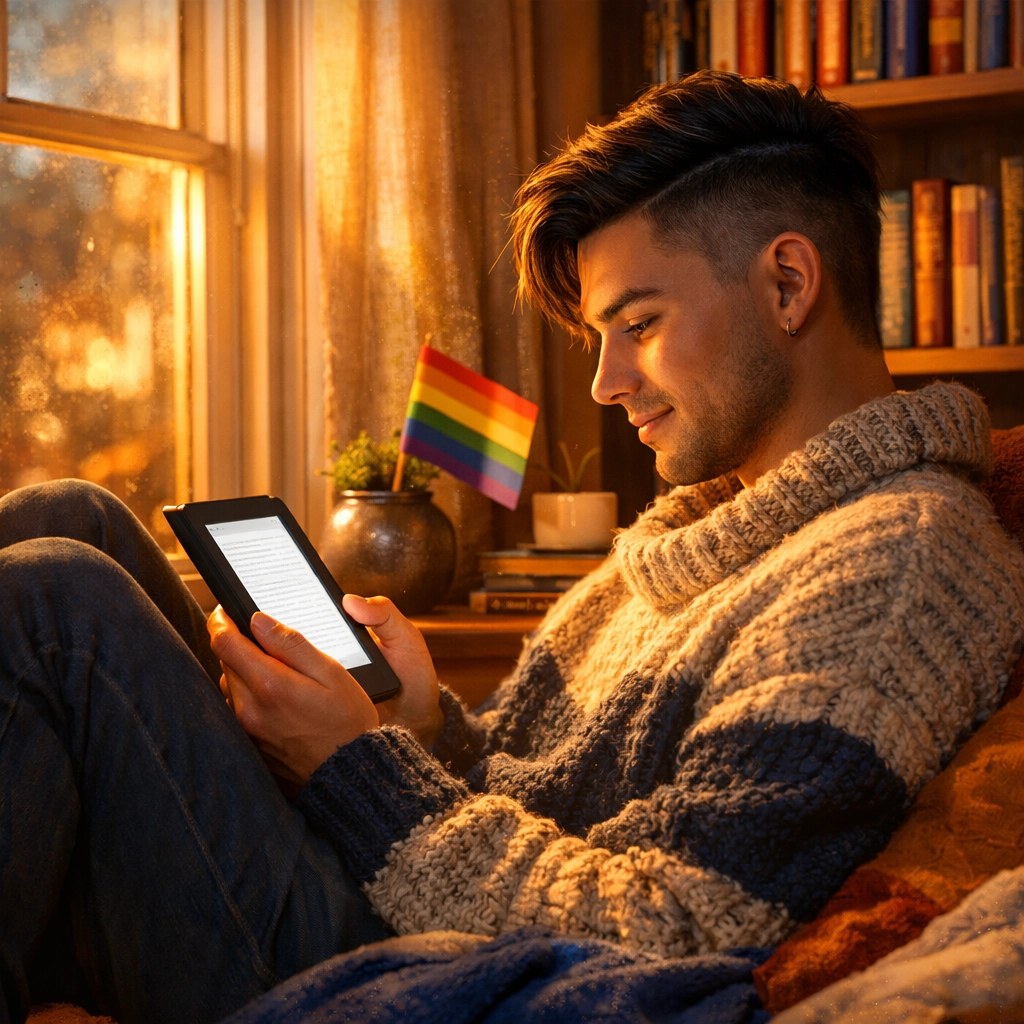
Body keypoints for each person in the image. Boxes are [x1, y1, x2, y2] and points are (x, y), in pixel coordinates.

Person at [3, 71, 1023, 1024]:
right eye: (600, 338)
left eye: (640, 323)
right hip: (412, 895)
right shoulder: (698, 535)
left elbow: (682, 924)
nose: (605, 382)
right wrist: (422, 730)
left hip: (426, 959)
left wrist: (357, 770)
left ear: (789, 283)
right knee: (73, 511)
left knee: (59, 605)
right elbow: (537, 799)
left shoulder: (893, 562)